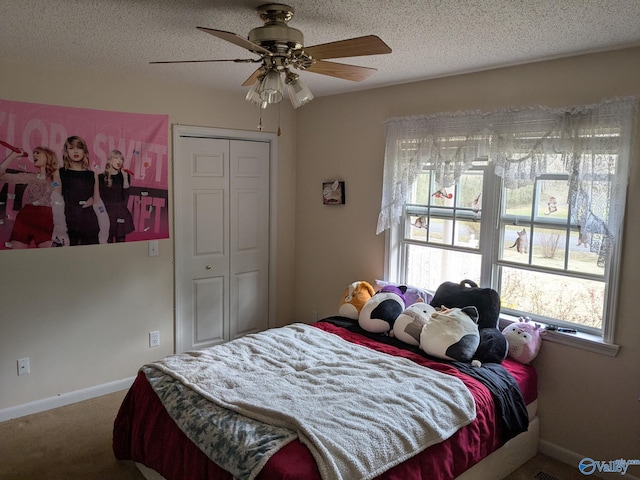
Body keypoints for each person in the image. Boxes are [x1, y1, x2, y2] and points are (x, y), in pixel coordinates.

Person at [0, 146, 64, 248]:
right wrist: (13, 156)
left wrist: (55, 173)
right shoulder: (30, 177)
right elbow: (1, 175)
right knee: (16, 257)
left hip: (45, 217)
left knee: (48, 256)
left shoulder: (55, 179)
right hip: (26, 217)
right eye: (34, 153)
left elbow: (56, 195)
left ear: (48, 157)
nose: (34, 155)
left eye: (38, 153)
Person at [58, 135, 105, 245]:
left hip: (88, 219)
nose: (75, 151)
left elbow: (97, 199)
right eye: (71, 148)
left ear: (84, 151)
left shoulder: (92, 174)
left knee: (91, 255)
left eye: (79, 148)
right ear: (66, 151)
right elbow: (56, 195)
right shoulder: (60, 173)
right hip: (68, 218)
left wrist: (92, 200)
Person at [98, 150, 135, 242]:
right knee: (107, 241)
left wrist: (125, 178)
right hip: (106, 213)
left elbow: (126, 196)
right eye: (116, 158)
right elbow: (98, 198)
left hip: (120, 212)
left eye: (121, 159)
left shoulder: (124, 176)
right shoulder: (101, 177)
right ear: (110, 160)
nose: (119, 161)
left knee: (121, 241)